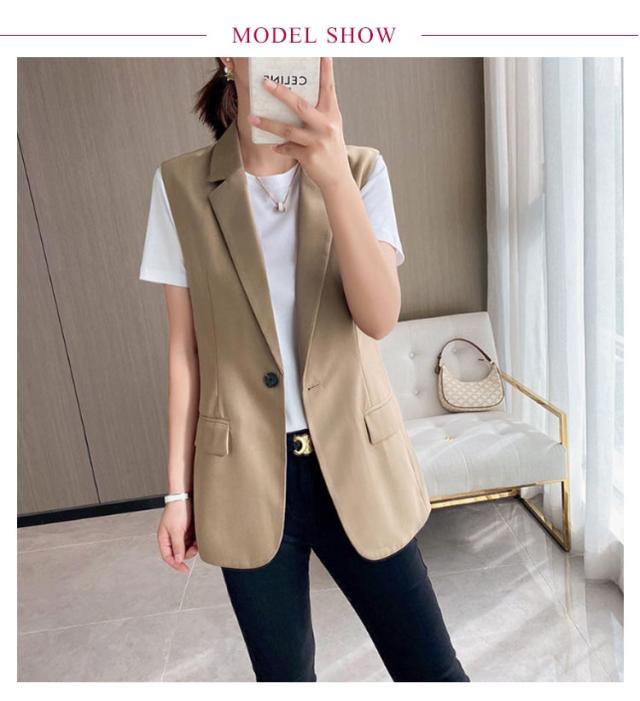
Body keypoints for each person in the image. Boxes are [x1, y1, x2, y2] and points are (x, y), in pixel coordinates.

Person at [139, 56, 470, 683]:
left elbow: (379, 318)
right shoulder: (178, 186)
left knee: (432, 672)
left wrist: (334, 177)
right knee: (284, 679)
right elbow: (185, 350)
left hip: (358, 461)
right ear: (228, 54)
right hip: (242, 475)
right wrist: (177, 494)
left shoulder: (362, 170)